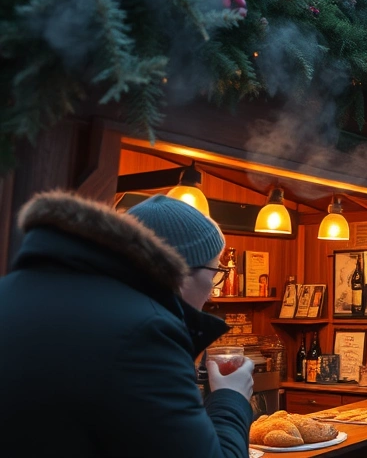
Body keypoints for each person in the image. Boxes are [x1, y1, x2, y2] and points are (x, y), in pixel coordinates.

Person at [0, 193, 253, 457]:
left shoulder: (10, 294)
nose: (213, 291)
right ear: (182, 272)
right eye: (216, 273)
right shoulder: (145, 332)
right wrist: (230, 397)